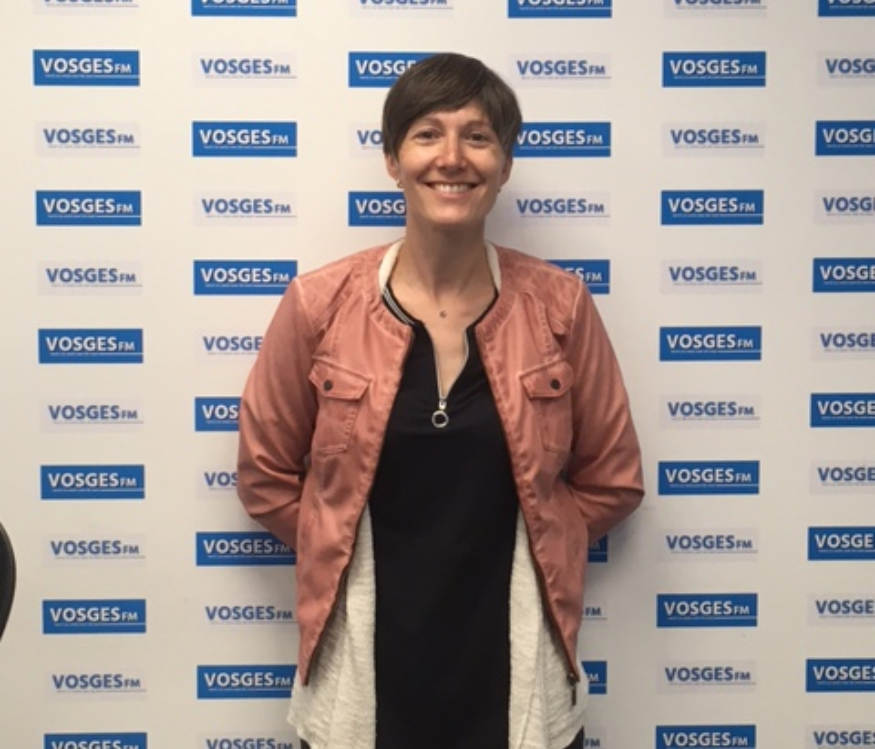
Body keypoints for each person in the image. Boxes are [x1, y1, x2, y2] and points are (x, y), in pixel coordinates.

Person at [236, 52, 644, 749]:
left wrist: (543, 538)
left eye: (477, 137)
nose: (452, 157)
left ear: (504, 165)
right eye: (427, 134)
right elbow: (264, 477)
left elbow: (613, 480)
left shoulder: (561, 306)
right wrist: (336, 540)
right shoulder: (318, 304)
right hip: (360, 681)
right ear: (392, 159)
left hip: (517, 680)